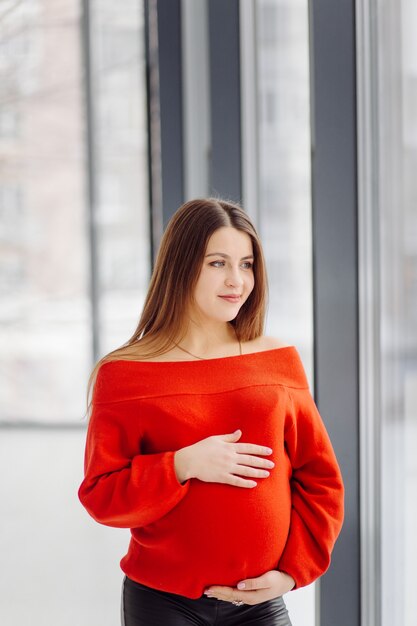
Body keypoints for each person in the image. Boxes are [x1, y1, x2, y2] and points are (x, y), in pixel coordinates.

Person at [78, 197, 344, 626]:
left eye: (247, 264)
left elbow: (319, 479)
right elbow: (102, 495)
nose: (237, 281)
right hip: (164, 604)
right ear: (181, 267)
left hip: (260, 603)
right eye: (218, 263)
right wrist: (182, 465)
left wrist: (292, 574)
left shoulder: (278, 360)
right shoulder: (125, 373)